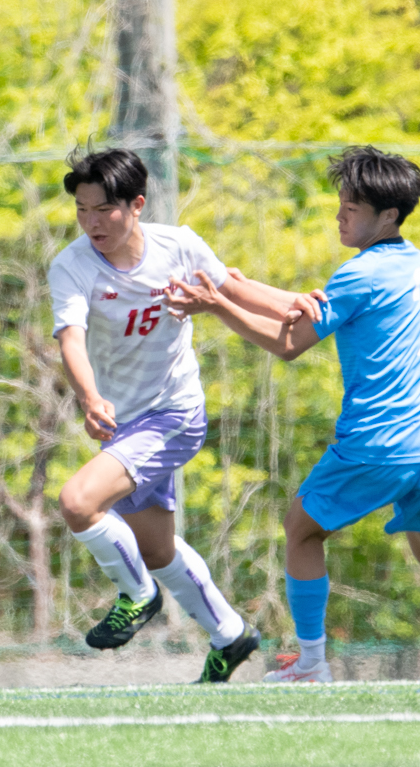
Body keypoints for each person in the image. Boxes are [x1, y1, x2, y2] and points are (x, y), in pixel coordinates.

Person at [166, 146, 420, 683]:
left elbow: (289, 342)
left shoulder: (359, 273)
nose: (340, 215)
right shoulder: (413, 262)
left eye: (352, 208)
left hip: (377, 444)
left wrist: (218, 304)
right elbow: (309, 305)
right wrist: (233, 286)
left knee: (300, 531)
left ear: (388, 215)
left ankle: (310, 664)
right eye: (341, 204)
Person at [50, 147, 316, 683]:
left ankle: (136, 597)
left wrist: (301, 302)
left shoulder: (178, 246)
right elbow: (71, 338)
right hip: (123, 425)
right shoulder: (72, 265)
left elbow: (234, 289)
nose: (92, 223)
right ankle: (230, 635)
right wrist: (89, 396)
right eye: (82, 210)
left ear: (137, 204)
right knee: (155, 549)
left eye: (104, 210)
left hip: (174, 414)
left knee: (78, 502)